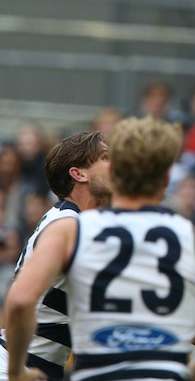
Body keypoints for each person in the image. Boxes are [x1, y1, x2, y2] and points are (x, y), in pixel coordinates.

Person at [3, 117, 195, 381]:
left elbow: (128, 299)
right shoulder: (70, 224)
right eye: (106, 158)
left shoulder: (78, 229)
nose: (113, 166)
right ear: (167, 178)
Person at [0, 131, 112, 381]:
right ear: (79, 173)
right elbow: (19, 301)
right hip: (18, 368)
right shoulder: (68, 224)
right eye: (105, 158)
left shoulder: (69, 220)